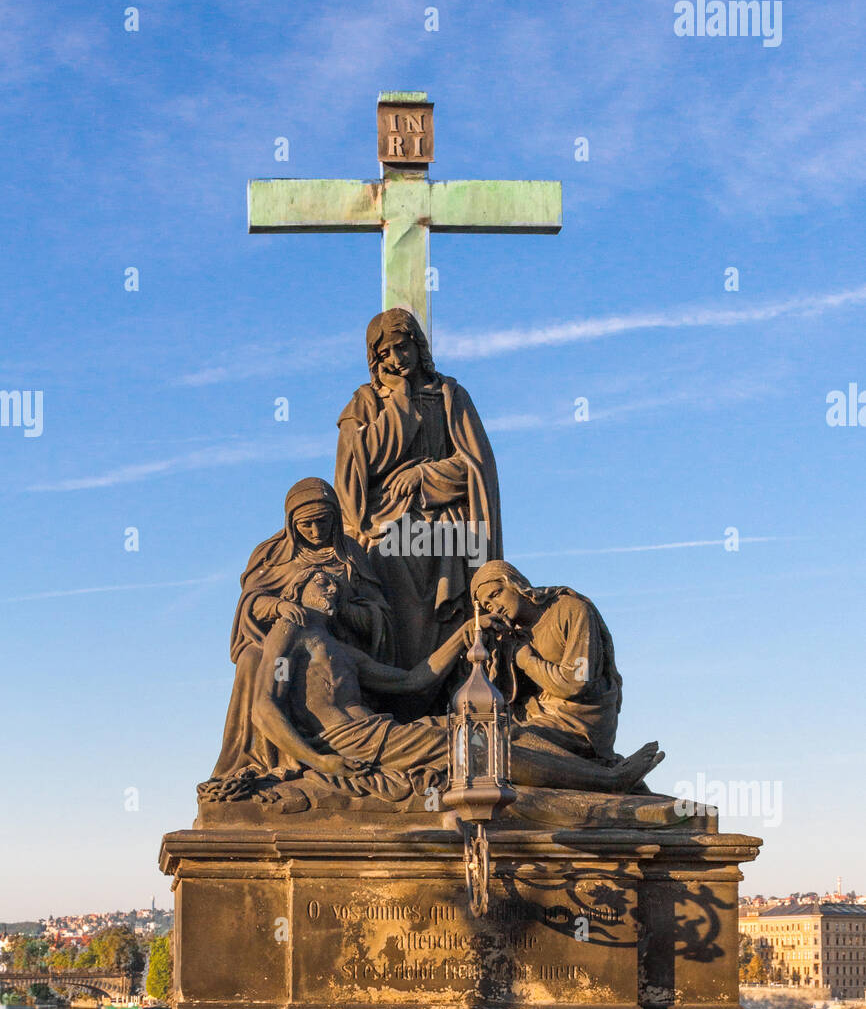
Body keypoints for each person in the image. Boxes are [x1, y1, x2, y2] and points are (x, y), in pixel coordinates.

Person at [251, 567, 662, 793]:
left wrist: (462, 636)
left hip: (379, 732)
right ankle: (607, 780)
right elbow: (263, 707)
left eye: (337, 585)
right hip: (353, 740)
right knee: (475, 746)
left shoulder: (341, 649)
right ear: (296, 588)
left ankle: (594, 770)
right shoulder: (292, 627)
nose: (333, 589)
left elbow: (413, 681)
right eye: (321, 581)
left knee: (487, 732)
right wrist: (318, 760)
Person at [334, 308, 502, 670]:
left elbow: (475, 466)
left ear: (418, 345)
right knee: (382, 560)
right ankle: (396, 683)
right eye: (385, 353)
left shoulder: (450, 395)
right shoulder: (365, 403)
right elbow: (355, 470)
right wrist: (400, 401)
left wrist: (423, 476)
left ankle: (449, 681)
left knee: (446, 552)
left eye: (403, 347)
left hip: (446, 515)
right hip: (386, 519)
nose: (397, 359)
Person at [212, 477, 391, 777]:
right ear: (292, 523)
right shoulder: (272, 554)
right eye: (306, 525)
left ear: (335, 517)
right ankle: (264, 760)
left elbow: (378, 613)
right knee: (251, 662)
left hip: (337, 648)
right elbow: (252, 600)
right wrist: (278, 606)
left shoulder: (349, 554)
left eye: (323, 522)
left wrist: (343, 610)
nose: (316, 531)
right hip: (285, 642)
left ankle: (325, 748)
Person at [470, 560, 623, 763]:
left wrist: (526, 660)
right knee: (470, 740)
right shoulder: (511, 635)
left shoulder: (571, 610)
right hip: (539, 715)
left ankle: (609, 778)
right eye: (488, 605)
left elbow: (577, 683)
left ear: (514, 583)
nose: (496, 607)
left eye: (496, 594)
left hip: (581, 721)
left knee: (502, 744)